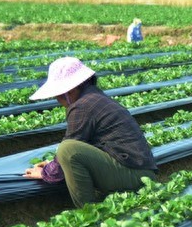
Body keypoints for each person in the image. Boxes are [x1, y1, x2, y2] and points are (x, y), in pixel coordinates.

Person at [23, 56, 157, 207]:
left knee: (67, 149)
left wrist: (45, 173)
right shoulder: (95, 97)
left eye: (58, 96)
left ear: (68, 91)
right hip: (140, 172)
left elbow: (73, 143)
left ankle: (88, 212)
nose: (58, 101)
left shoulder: (83, 105)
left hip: (134, 174)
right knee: (67, 151)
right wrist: (51, 164)